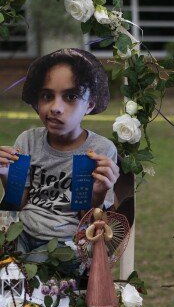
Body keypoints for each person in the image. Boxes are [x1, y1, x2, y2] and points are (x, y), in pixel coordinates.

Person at [0, 48, 119, 259]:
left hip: (67, 244)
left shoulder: (100, 150)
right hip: (23, 234)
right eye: (47, 96)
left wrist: (99, 194)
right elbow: (17, 204)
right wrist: (6, 175)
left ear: (89, 105)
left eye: (71, 96)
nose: (55, 107)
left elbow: (90, 223)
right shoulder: (27, 141)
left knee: (31, 266)